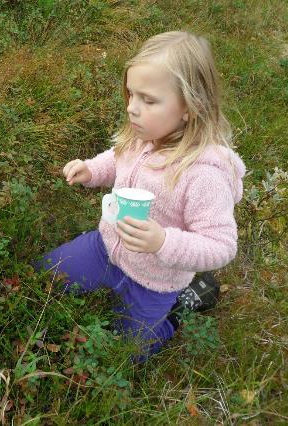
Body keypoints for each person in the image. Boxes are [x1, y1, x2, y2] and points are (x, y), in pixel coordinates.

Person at [34, 31, 246, 361]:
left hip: (154, 280)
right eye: (131, 94)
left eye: (148, 100)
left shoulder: (203, 173)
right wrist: (90, 170)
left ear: (190, 107)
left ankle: (179, 309)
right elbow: (118, 157)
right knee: (43, 276)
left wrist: (163, 242)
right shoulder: (144, 134)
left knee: (126, 354)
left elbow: (222, 245)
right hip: (104, 247)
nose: (132, 108)